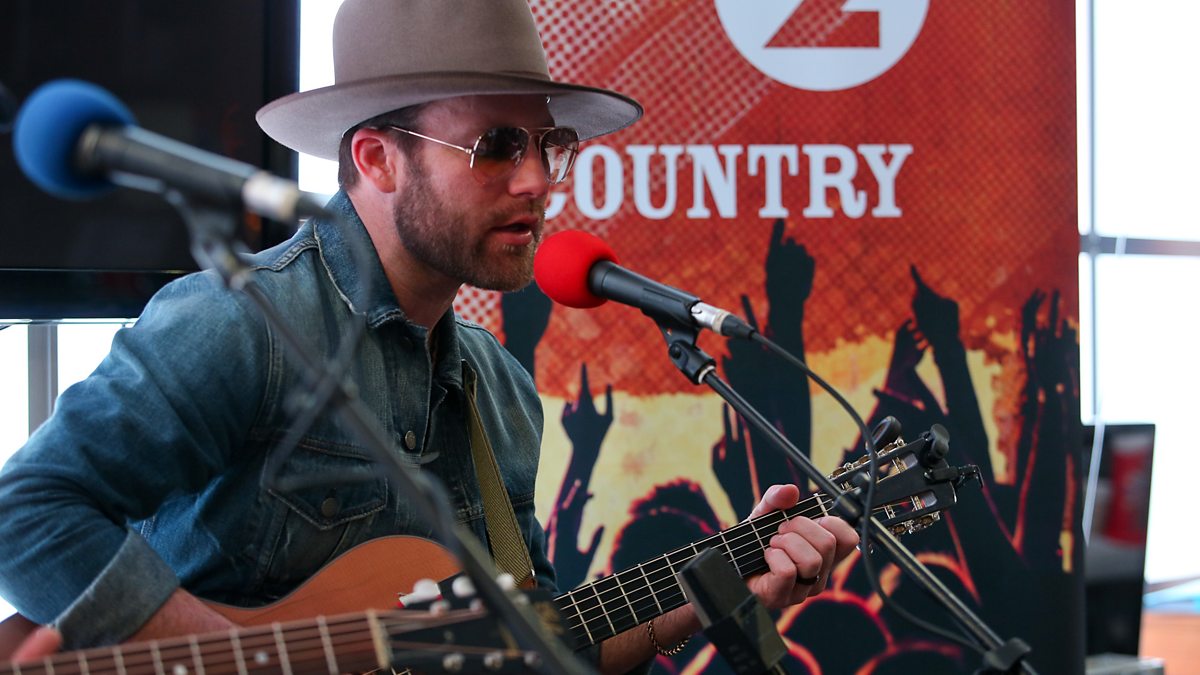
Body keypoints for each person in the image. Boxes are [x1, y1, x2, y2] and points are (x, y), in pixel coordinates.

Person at [0, 1, 858, 672]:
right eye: (497, 145)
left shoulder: (500, 390)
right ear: (377, 160)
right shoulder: (243, 322)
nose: (537, 180)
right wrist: (238, 659)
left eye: (549, 144)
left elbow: (536, 645)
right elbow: (25, 513)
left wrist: (711, 592)